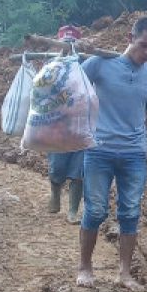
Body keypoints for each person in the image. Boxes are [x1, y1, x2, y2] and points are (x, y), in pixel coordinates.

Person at [75, 16, 147, 292]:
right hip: (99, 150)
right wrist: (70, 53)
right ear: (129, 39)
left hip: (133, 154)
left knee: (130, 212)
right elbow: (72, 89)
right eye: (143, 46)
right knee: (95, 210)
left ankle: (125, 273)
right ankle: (84, 267)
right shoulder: (99, 64)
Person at [48, 25, 86, 223]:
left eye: (72, 42)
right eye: (65, 42)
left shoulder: (87, 63)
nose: (69, 46)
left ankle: (73, 211)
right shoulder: (52, 65)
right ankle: (55, 193)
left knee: (79, 171)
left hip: (82, 125)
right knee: (57, 167)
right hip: (58, 126)